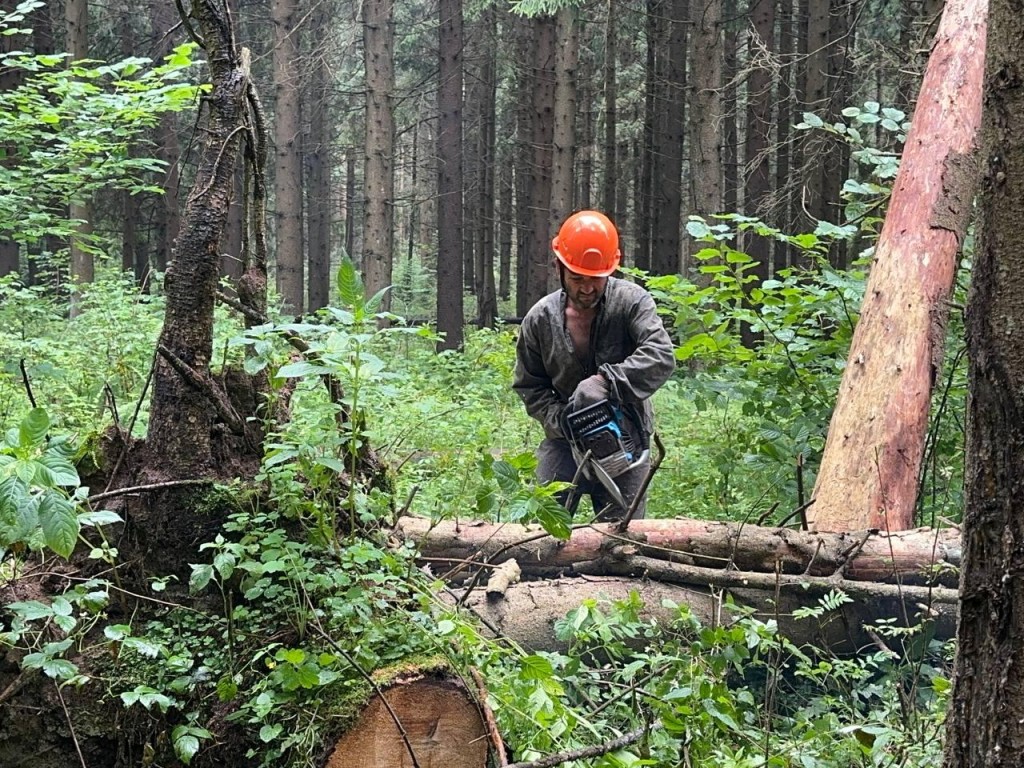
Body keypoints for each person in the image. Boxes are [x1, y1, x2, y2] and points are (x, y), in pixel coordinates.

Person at [512, 210, 676, 521]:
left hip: (626, 438)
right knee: (541, 530)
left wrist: (606, 382)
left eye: (596, 279)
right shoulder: (540, 319)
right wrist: (562, 420)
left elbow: (660, 355)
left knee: (622, 541)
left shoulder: (632, 303)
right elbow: (529, 385)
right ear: (559, 268)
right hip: (564, 442)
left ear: (610, 271)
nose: (587, 288)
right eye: (577, 278)